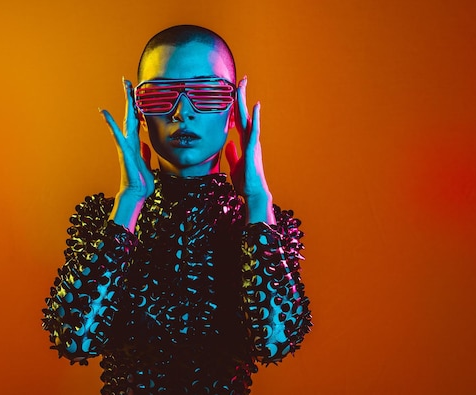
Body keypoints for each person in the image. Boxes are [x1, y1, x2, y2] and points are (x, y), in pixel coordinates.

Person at [42, 25, 312, 395]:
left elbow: (276, 341)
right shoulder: (104, 219)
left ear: (233, 111)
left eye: (207, 92)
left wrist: (258, 201)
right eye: (159, 95)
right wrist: (129, 203)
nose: (182, 112)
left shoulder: (264, 226)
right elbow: (74, 338)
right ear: (137, 112)